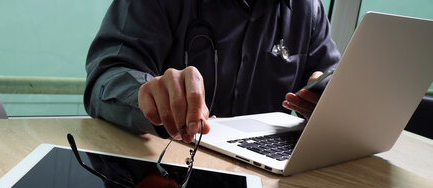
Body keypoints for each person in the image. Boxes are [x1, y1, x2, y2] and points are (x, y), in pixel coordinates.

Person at [84, 0, 340, 143]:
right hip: (168, 177)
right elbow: (105, 79)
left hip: (270, 185)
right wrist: (147, 95)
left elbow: (332, 74)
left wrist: (328, 97)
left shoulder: (309, 9)